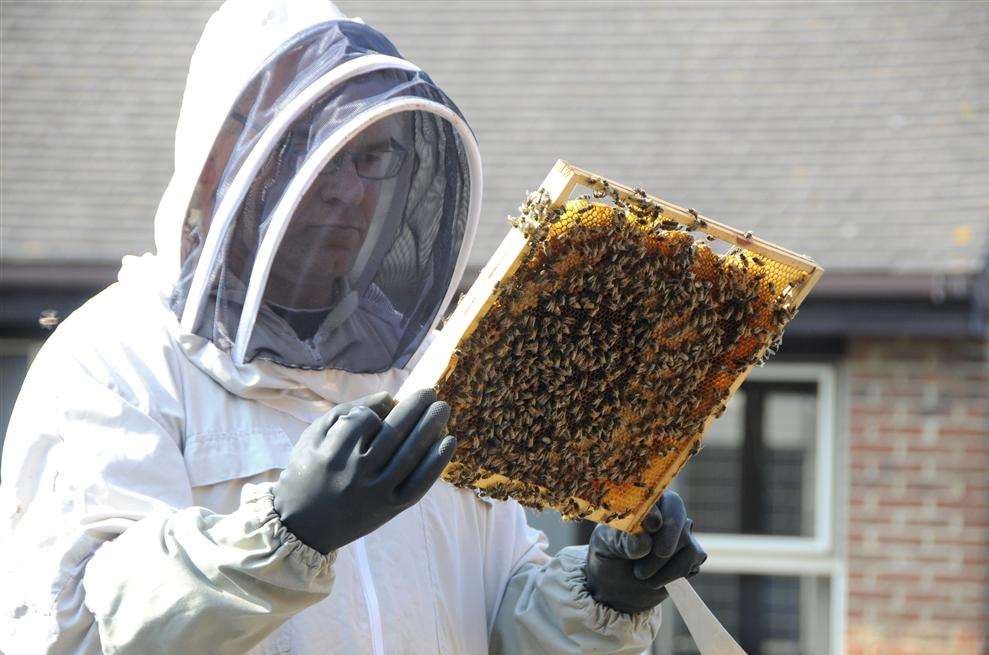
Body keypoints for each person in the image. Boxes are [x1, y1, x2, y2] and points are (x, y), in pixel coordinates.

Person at [0, 1, 707, 653]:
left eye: (370, 157)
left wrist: (605, 593)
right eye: (305, 145)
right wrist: (286, 532)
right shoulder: (116, 363)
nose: (343, 187)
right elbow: (74, 633)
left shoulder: (423, 372)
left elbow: (492, 622)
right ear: (220, 159)